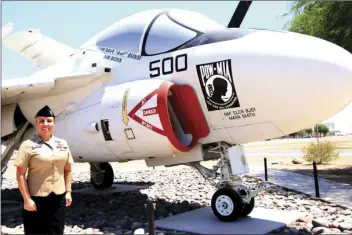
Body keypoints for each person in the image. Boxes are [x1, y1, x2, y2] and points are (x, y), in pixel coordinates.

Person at [14, 105, 74, 235]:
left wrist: (68, 192)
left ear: (54, 123)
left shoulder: (62, 143)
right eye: (41, 121)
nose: (45, 124)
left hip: (58, 198)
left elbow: (67, 170)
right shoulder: (28, 145)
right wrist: (27, 199)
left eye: (49, 121)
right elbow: (20, 175)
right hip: (36, 199)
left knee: (57, 231)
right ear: (36, 123)